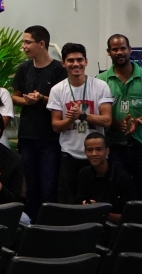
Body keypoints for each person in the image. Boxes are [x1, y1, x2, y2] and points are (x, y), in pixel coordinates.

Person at [12, 25, 68, 219]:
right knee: (30, 187)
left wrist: (42, 98)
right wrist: (26, 101)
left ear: (41, 44)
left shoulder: (59, 69)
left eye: (28, 42)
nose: (24, 47)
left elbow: (63, 101)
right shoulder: (24, 68)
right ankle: (30, 225)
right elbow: (15, 97)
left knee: (48, 187)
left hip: (50, 138)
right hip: (27, 137)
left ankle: (48, 226)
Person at [48, 42, 115, 204]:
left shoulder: (100, 86)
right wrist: (71, 119)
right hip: (69, 154)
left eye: (79, 60)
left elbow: (107, 121)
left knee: (96, 201)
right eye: (70, 60)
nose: (76, 64)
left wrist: (83, 115)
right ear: (63, 63)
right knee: (70, 202)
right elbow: (56, 126)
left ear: (86, 61)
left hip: (95, 156)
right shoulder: (57, 90)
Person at [99, 33, 142, 201]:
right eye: (114, 49)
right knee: (119, 196)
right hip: (115, 146)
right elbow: (99, 114)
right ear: (108, 52)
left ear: (130, 50)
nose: (119, 52)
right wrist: (116, 124)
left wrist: (138, 122)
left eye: (123, 48)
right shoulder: (101, 80)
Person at [76, 132, 136, 222]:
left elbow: (129, 216)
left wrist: (100, 211)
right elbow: (78, 204)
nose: (94, 154)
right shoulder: (84, 173)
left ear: (107, 150)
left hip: (115, 227)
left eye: (99, 149)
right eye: (89, 150)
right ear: (85, 152)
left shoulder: (123, 177)